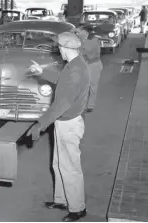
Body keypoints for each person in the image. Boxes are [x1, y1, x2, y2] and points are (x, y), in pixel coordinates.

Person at [26, 31, 90, 222]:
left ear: (65, 48)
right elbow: (63, 83)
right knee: (59, 164)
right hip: (63, 122)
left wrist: (40, 124)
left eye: (58, 47)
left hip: (69, 124)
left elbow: (63, 103)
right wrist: (42, 72)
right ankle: (62, 200)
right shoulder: (74, 64)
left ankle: (78, 208)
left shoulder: (76, 70)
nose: (57, 49)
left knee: (70, 167)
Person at [73, 25, 103, 112]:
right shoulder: (82, 40)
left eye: (78, 32)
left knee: (91, 86)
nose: (77, 34)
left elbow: (89, 55)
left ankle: (90, 106)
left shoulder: (92, 41)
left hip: (93, 65)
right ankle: (83, 104)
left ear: (85, 32)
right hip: (86, 64)